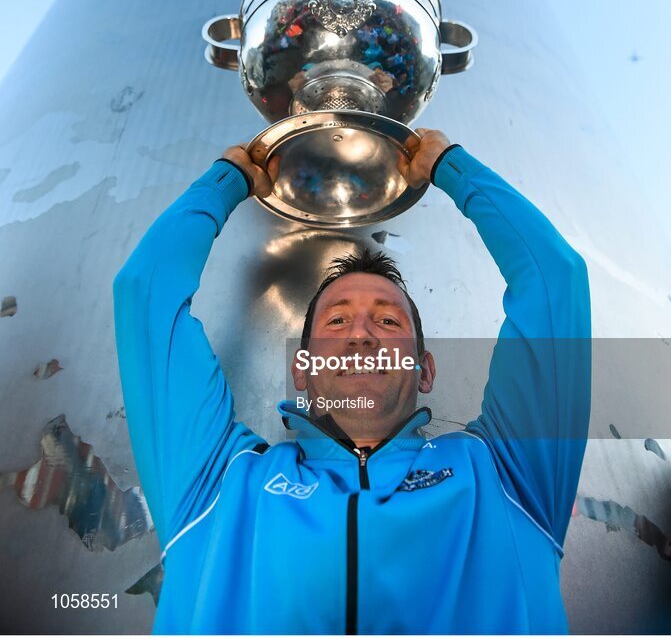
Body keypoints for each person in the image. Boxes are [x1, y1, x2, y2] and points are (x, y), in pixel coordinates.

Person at [113, 129, 591, 635]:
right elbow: (146, 292)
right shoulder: (219, 484)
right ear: (302, 368)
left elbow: (553, 283)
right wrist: (228, 179)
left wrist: (450, 166)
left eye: (388, 321)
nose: (361, 335)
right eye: (336, 322)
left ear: (424, 369)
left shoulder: (507, 475)